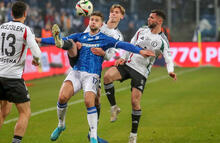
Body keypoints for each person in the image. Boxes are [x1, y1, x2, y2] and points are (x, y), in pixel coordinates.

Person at [37, 11, 155, 143]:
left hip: (92, 75)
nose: (93, 21)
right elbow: (59, 41)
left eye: (96, 20)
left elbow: (124, 45)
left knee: (89, 101)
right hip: (76, 72)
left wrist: (140, 51)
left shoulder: (105, 39)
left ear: (100, 24)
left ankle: (93, 136)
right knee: (62, 97)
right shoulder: (81, 36)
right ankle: (61, 125)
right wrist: (40, 40)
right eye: (92, 19)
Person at [102, 9, 177, 143]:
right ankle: (114, 107)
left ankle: (133, 136)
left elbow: (169, 58)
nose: (149, 19)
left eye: (152, 18)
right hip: (128, 63)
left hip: (141, 71)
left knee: (135, 102)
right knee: (107, 76)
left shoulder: (162, 41)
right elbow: (130, 44)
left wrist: (170, 71)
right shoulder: (141, 30)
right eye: (149, 17)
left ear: (159, 21)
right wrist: (123, 57)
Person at [0, 1, 41, 143]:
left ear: (11, 13)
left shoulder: (2, 27)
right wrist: (37, 61)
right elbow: (36, 52)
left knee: (4, 111)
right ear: (25, 14)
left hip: (0, 75)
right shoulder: (25, 29)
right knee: (25, 112)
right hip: (13, 78)